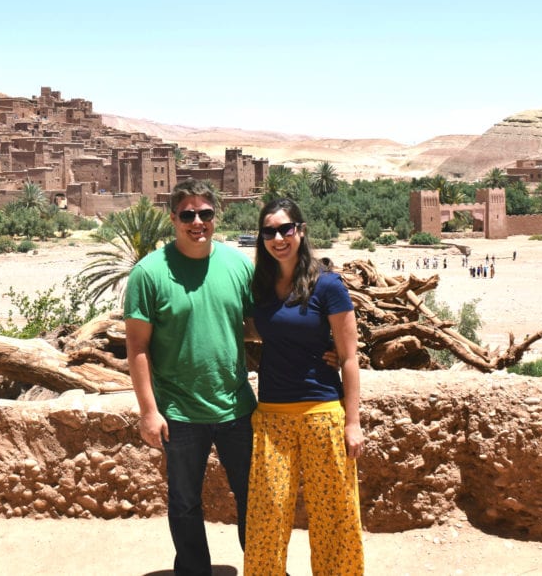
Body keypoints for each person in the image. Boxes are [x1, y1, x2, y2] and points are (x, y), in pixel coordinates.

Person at [124, 178, 256, 575]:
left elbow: (254, 326)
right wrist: (149, 411)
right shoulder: (148, 274)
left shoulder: (237, 265)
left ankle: (263, 565)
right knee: (184, 501)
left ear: (216, 216)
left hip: (236, 406)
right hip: (179, 412)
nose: (197, 222)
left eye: (205, 213)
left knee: (254, 495)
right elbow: (138, 347)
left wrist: (319, 336)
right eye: (188, 215)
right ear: (173, 219)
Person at [244, 197, 365, 576]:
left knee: (334, 519)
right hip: (272, 419)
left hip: (322, 414)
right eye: (269, 231)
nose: (278, 238)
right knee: (267, 520)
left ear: (301, 231)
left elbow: (348, 357)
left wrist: (353, 421)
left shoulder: (328, 286)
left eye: (286, 229)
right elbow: (252, 331)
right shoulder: (260, 288)